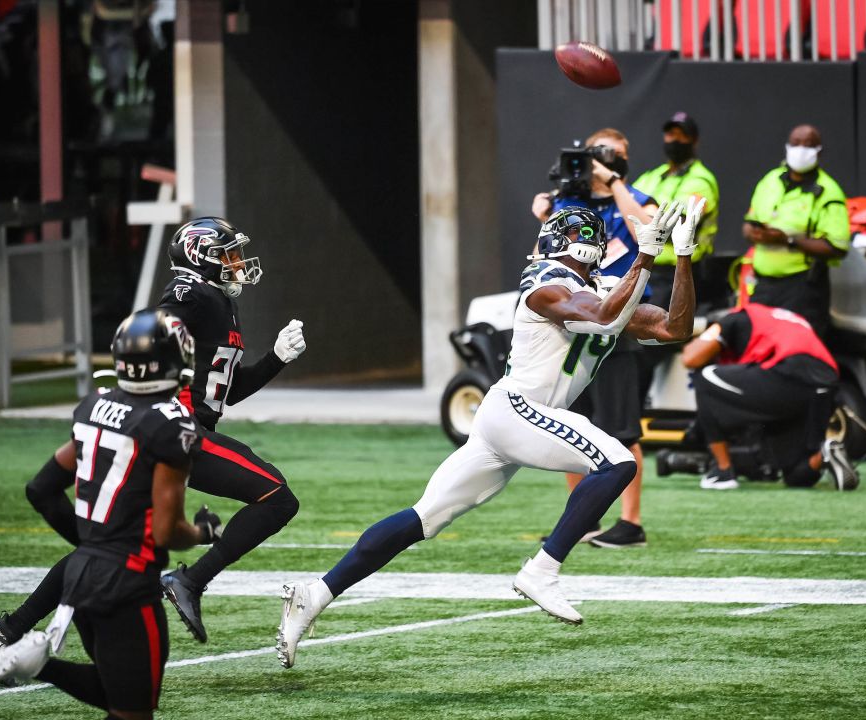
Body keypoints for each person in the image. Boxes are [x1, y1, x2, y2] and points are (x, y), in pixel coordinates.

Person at [276, 199, 700, 668]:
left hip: (517, 419)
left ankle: (314, 593)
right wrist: (645, 256)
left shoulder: (600, 288)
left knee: (425, 517)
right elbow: (602, 315)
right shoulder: (545, 284)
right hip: (518, 409)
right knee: (618, 461)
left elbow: (674, 326)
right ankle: (542, 569)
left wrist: (681, 256)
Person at [0, 217, 307, 657]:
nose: (236, 262)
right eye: (226, 254)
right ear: (199, 259)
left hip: (187, 425)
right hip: (178, 428)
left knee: (110, 543)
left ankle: (12, 627)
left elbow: (225, 390)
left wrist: (276, 359)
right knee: (277, 497)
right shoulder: (191, 293)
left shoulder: (218, 302)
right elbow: (156, 326)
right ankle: (190, 581)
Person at [0, 309, 222, 719]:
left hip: (82, 576)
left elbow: (41, 489)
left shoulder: (94, 405)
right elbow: (166, 530)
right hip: (127, 584)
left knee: (121, 700)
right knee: (135, 708)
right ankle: (43, 667)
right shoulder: (172, 425)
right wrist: (202, 532)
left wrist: (91, 545)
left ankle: (42, 666)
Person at [531, 128, 657, 548]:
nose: (605, 159)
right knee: (571, 423)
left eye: (615, 154)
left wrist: (615, 182)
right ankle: (580, 517)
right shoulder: (569, 203)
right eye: (598, 154)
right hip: (574, 324)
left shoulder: (635, 196)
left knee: (622, 429)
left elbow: (649, 232)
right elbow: (541, 254)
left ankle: (631, 522)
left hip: (619, 324)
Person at [679, 302, 857, 491]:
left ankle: (722, 471)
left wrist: (715, 329)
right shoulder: (786, 318)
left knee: (704, 377)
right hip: (825, 384)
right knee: (796, 475)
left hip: (791, 372)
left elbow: (690, 358)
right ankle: (825, 454)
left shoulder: (737, 316)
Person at [742, 124, 851, 334]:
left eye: (808, 145)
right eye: (796, 143)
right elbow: (749, 222)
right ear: (787, 146)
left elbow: (837, 246)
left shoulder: (829, 192)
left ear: (819, 150)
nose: (801, 149)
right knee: (756, 344)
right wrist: (754, 233)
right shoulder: (770, 180)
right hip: (762, 285)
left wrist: (788, 240)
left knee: (795, 351)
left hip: (802, 288)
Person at [631, 111, 721, 305]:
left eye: (682, 135)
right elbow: (624, 208)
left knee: (658, 333)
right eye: (671, 134)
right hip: (642, 266)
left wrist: (641, 214)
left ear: (694, 141)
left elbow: (679, 226)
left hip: (676, 273)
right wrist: (650, 215)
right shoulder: (653, 176)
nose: (675, 139)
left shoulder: (701, 180)